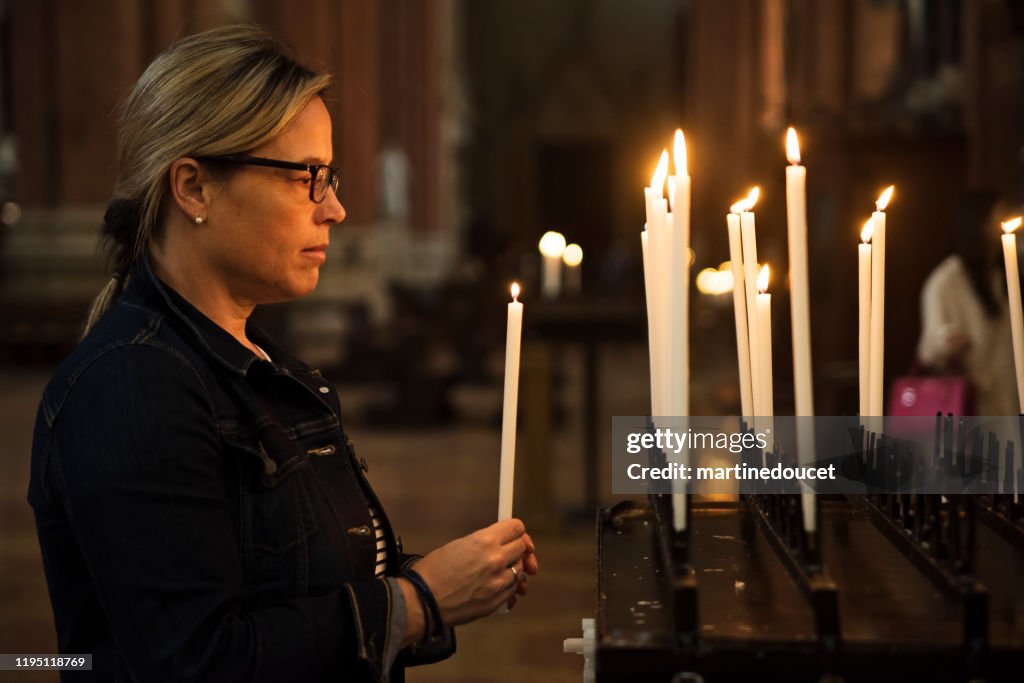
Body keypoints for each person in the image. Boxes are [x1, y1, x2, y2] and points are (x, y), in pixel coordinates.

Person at [27, 25, 538, 682]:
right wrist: (417, 603)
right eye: (308, 177)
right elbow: (196, 661)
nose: (337, 208)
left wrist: (452, 581)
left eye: (331, 177)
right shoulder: (130, 385)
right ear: (194, 188)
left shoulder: (257, 362)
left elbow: (296, 589)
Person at [916, 188, 1017, 416]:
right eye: (999, 214)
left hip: (1007, 394)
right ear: (979, 223)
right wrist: (949, 342)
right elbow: (932, 344)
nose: (1004, 220)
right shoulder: (947, 280)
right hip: (971, 402)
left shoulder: (1001, 275)